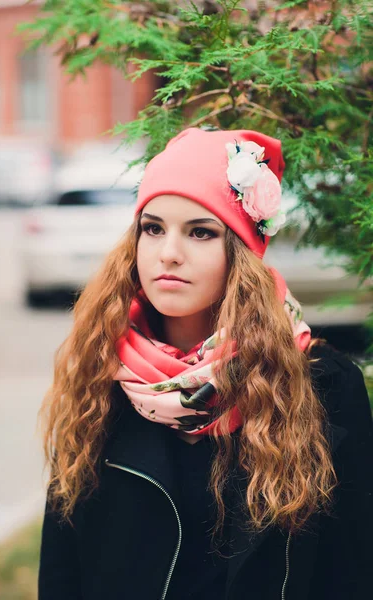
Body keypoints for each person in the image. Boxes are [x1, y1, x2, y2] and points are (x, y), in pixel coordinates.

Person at [38, 127, 373, 600]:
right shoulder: (98, 373)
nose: (168, 253)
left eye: (200, 232)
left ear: (240, 255)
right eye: (152, 228)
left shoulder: (325, 387)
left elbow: (351, 574)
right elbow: (62, 570)